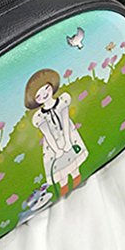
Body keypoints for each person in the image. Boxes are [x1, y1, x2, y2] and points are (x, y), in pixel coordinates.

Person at [24, 68, 89, 196]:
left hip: (68, 136)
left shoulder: (62, 101)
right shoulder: (39, 117)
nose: (44, 95)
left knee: (74, 167)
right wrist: (57, 149)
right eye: (38, 95)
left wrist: (68, 141)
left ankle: (77, 182)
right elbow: (47, 134)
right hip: (53, 145)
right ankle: (64, 190)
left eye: (46, 89)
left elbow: (66, 122)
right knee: (61, 174)